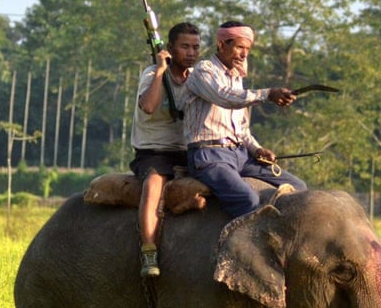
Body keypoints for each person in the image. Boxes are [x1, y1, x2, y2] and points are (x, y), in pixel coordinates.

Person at [179, 21, 307, 219]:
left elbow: (241, 129)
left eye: (247, 49)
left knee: (298, 187)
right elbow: (224, 97)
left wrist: (257, 149)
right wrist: (267, 94)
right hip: (209, 155)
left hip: (240, 154)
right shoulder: (203, 71)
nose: (244, 54)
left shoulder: (237, 78)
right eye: (239, 47)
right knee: (247, 199)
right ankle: (242, 239)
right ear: (221, 45)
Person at [129, 22, 202, 277]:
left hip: (189, 149)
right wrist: (161, 69)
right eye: (185, 47)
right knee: (153, 186)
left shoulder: (197, 78)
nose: (191, 53)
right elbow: (149, 106)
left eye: (195, 47)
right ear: (170, 48)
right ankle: (149, 251)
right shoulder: (152, 74)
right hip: (155, 151)